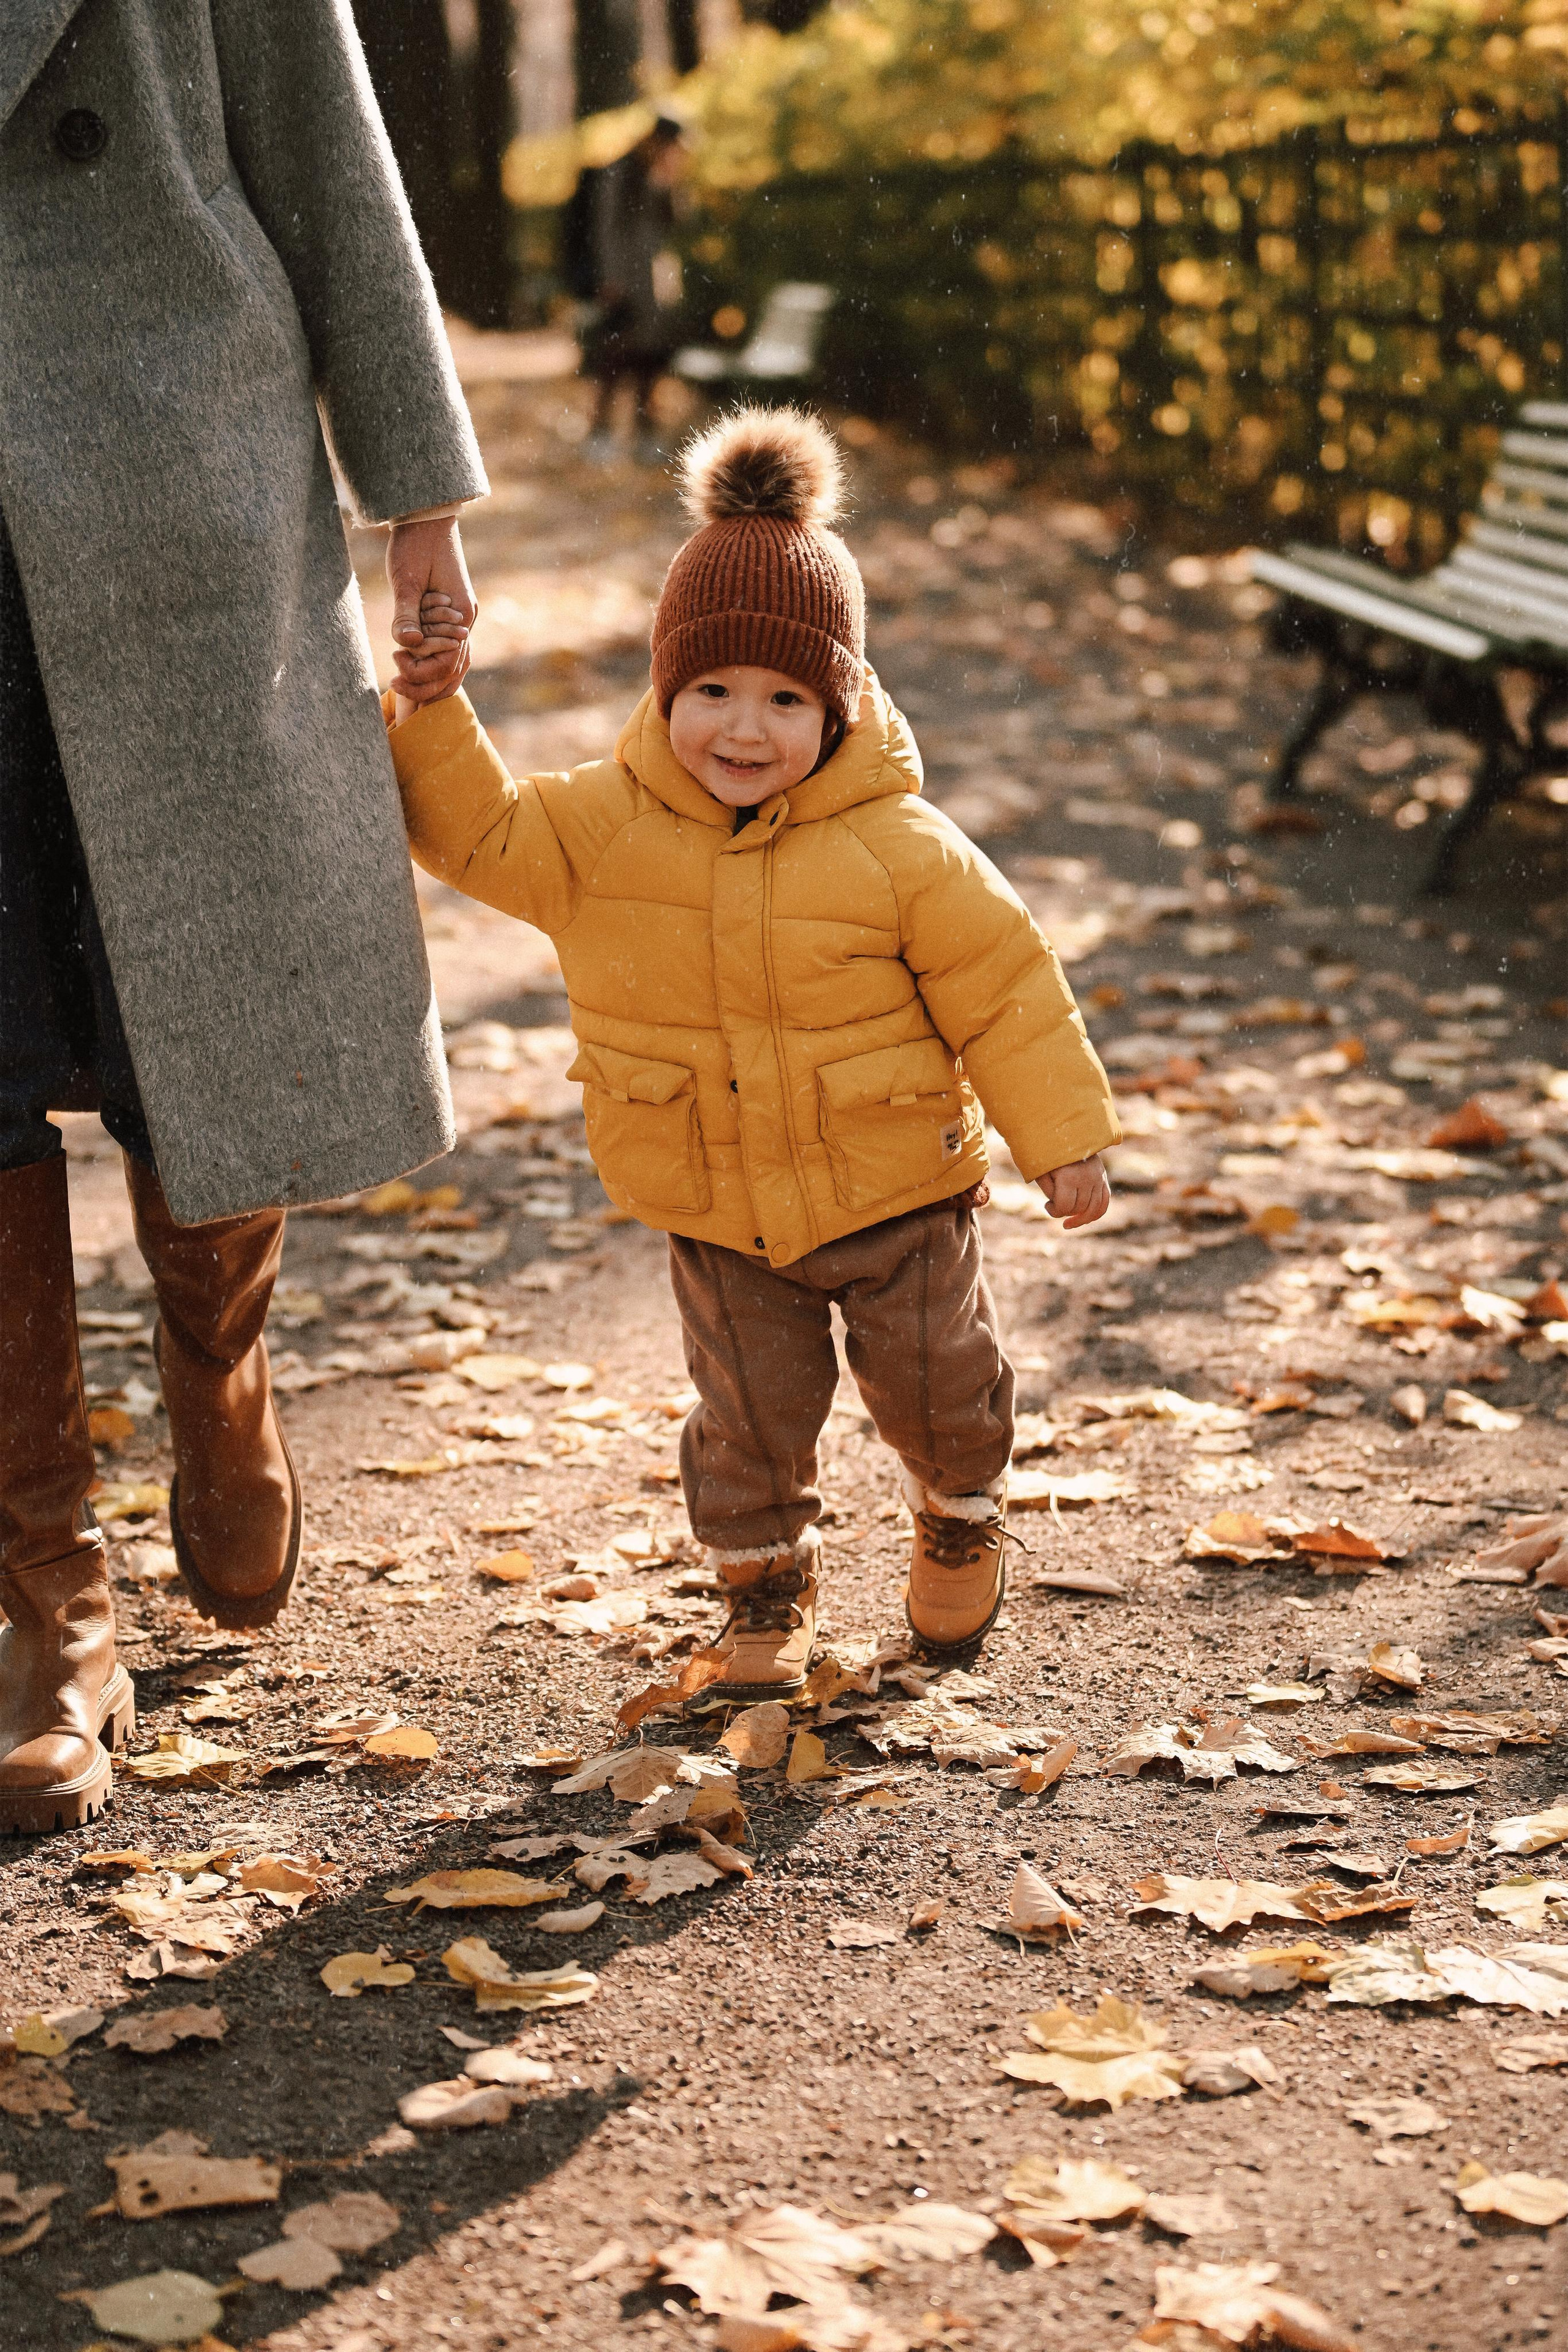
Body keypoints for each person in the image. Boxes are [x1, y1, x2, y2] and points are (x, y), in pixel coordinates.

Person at [386, 408, 1118, 1711]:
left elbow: (1004, 989)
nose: (743, 728)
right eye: (711, 691)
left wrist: (1057, 1138)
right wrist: (433, 713)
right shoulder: (601, 831)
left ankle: (955, 1515)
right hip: (720, 1206)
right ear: (665, 687)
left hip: (898, 1188)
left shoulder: (901, 845)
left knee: (942, 1388)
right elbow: (478, 834)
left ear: (837, 705)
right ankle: (760, 1588)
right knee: (747, 1420)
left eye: (786, 699)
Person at [0, 0, 488, 1837]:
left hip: (175, 457)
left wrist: (419, 495)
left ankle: (218, 1368)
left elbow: (318, 136)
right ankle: (49, 1598)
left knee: (191, 987)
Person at [573, 117, 687, 464]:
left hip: (652, 286)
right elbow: (605, 229)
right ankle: (601, 434)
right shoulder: (621, 173)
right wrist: (611, 279)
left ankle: (645, 433)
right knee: (614, 359)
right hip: (625, 284)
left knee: (647, 362)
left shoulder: (658, 175)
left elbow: (674, 226)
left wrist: (672, 184)